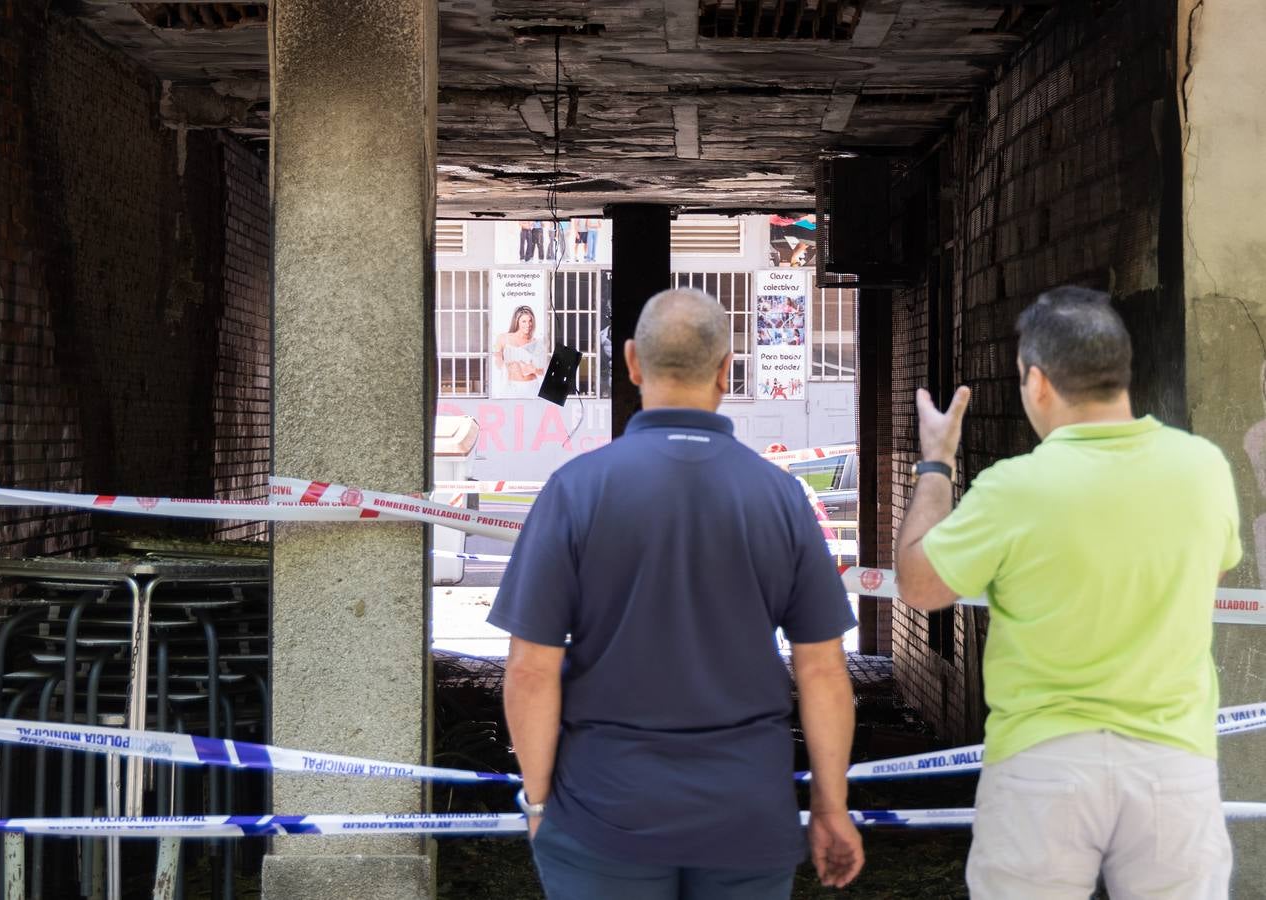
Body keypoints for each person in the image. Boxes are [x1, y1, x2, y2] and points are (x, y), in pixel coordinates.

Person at [490, 287, 864, 899]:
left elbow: (531, 671)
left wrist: (538, 804)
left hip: (605, 813)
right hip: (746, 812)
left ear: (632, 362)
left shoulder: (575, 490)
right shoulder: (780, 496)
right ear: (726, 368)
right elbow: (822, 670)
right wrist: (830, 804)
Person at [896, 286, 1240, 899]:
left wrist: (937, 463)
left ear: (1038, 382)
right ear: (1121, 373)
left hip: (1042, 767)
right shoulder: (1203, 468)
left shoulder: (1015, 488)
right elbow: (1208, 573)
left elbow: (920, 586)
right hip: (1172, 763)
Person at [493, 305, 546, 398]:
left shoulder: (537, 343)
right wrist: (502, 363)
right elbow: (497, 361)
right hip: (511, 387)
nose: (528, 325)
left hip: (531, 387)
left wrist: (534, 369)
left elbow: (543, 371)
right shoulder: (503, 338)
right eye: (524, 321)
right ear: (517, 322)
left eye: (530, 321)